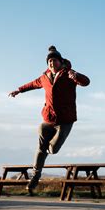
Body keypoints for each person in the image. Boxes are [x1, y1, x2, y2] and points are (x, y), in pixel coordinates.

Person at [8, 45, 90, 191]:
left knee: (52, 150)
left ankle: (46, 151)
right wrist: (19, 90)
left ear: (60, 61)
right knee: (40, 143)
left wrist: (76, 77)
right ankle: (35, 176)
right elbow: (32, 84)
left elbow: (86, 81)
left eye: (54, 61)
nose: (52, 63)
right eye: (49, 61)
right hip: (48, 120)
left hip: (65, 121)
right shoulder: (44, 78)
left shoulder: (69, 74)